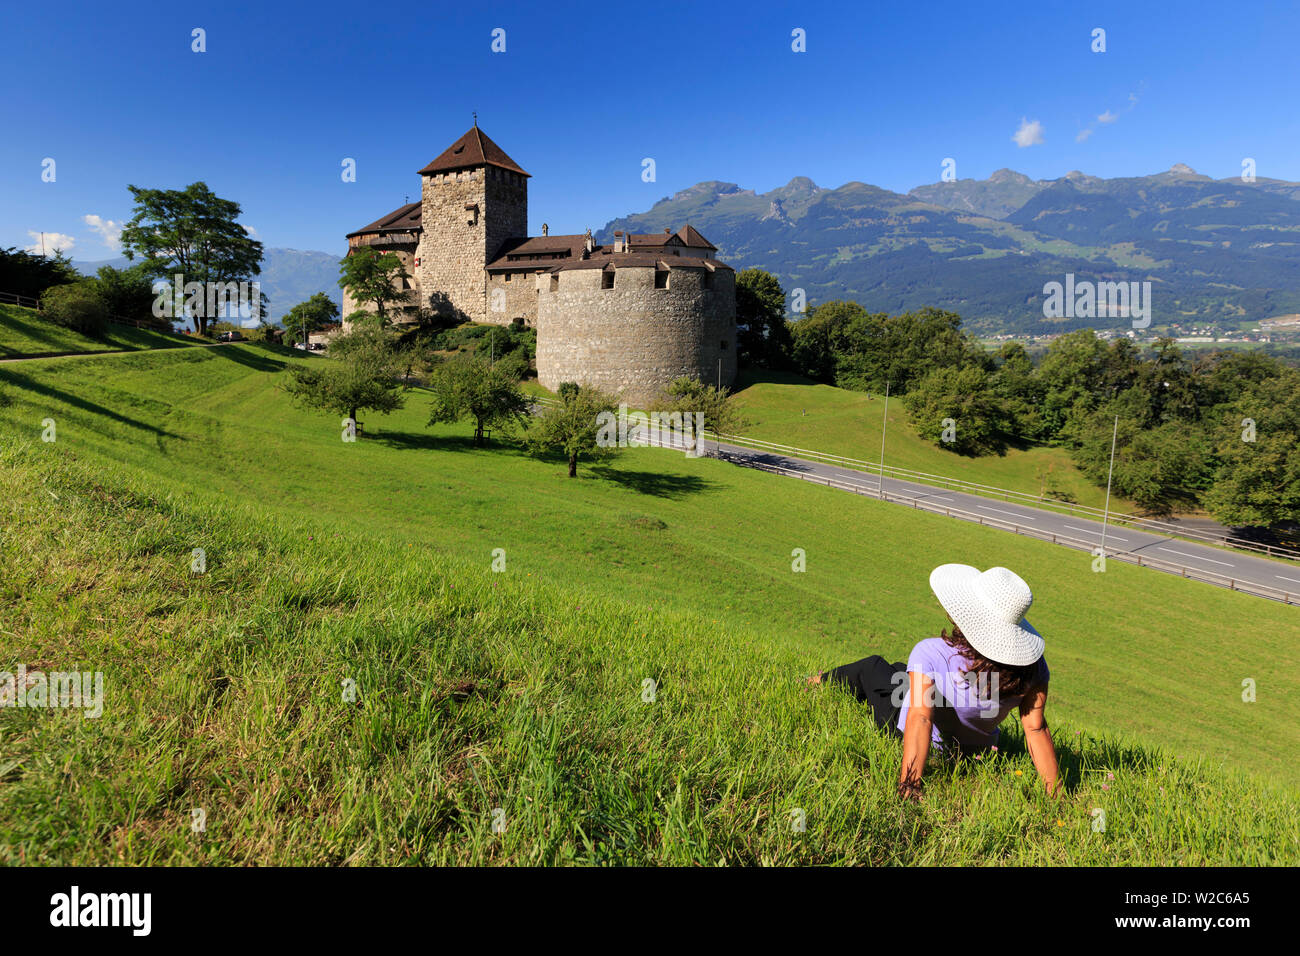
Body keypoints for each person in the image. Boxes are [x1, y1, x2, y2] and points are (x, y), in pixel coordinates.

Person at [808, 564, 1059, 801]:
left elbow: (921, 718)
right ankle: (874, 677)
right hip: (979, 753)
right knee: (900, 671)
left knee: (872, 666)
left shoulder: (932, 652)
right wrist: (1055, 793)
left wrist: (910, 784)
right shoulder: (1033, 669)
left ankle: (816, 681)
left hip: (915, 732)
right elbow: (1036, 729)